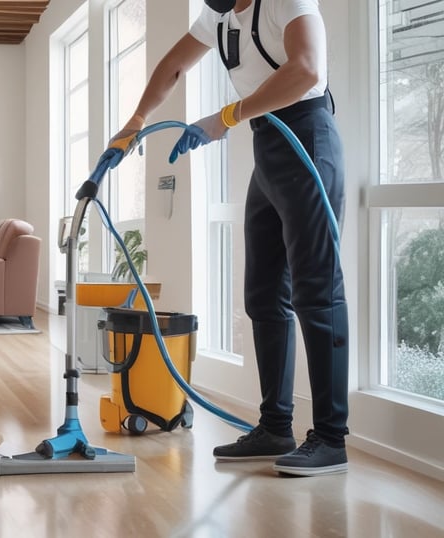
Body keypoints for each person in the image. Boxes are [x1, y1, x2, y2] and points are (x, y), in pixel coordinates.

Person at [110, 0, 349, 476]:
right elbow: (174, 65)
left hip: (307, 137)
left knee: (316, 294)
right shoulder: (218, 15)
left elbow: (305, 69)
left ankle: (330, 438)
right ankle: (275, 426)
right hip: (268, 146)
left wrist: (227, 116)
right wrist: (136, 120)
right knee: (263, 295)